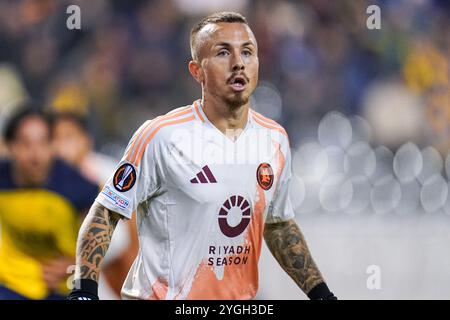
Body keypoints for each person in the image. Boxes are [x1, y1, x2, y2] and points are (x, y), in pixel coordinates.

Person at [69, 12, 336, 300]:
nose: (238, 63)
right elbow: (106, 212)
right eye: (223, 52)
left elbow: (279, 224)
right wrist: (84, 289)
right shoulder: (161, 136)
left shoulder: (275, 139)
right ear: (197, 71)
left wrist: (320, 294)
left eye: (247, 52)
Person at [0, 107, 98, 299]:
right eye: (25, 144)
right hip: (12, 284)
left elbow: (107, 239)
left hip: (64, 289)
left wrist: (74, 265)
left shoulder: (78, 187)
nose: (35, 155)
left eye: (43, 143)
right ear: (9, 146)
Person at [52, 112, 139, 299]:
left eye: (68, 137)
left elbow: (120, 241)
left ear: (86, 141)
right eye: (54, 138)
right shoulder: (47, 180)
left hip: (112, 276)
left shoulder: (107, 174)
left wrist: (74, 265)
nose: (60, 147)